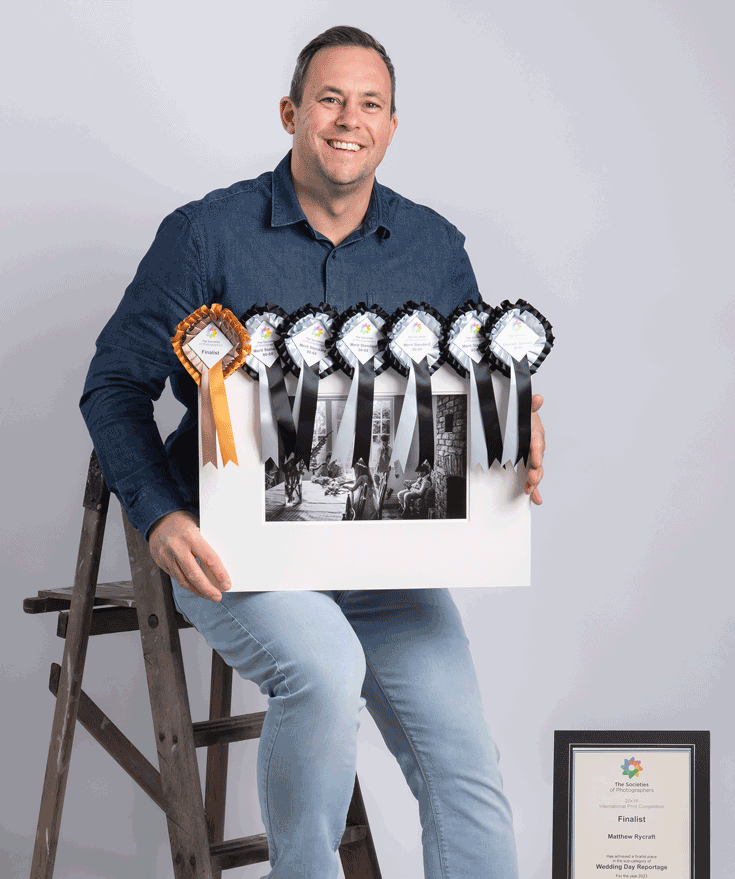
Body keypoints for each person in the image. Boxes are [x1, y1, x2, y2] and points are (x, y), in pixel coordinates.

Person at [81, 25, 546, 879]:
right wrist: (160, 514)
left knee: (464, 758)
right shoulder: (203, 235)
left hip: (386, 556)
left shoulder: (434, 247)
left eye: (369, 103)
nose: (347, 118)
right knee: (325, 670)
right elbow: (113, 386)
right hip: (239, 552)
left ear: (392, 127)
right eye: (329, 98)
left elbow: (471, 387)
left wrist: (511, 435)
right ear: (292, 112)